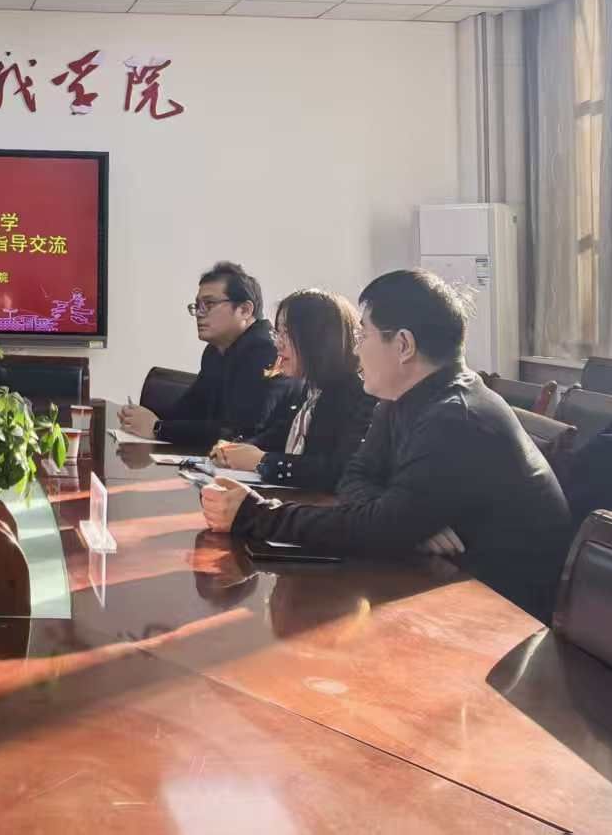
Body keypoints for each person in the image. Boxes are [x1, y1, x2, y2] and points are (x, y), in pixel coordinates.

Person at [199, 269, 572, 622]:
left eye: (363, 335)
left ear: (404, 345)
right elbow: (355, 476)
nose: (357, 350)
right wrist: (402, 521)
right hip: (441, 585)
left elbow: (376, 529)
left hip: (500, 616)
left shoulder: (456, 416)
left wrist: (256, 515)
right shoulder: (400, 399)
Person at [210, 288, 376, 492]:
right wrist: (233, 450)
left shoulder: (359, 395)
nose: (277, 344)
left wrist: (262, 460)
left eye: (286, 334)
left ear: (319, 339)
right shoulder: (310, 388)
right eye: (277, 333)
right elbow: (277, 436)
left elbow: (336, 471)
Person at [119, 261, 283, 449]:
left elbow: (237, 433)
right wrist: (141, 418)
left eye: (209, 304)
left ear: (245, 310)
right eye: (197, 305)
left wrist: (158, 428)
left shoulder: (266, 351)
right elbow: (188, 411)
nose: (199, 313)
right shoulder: (215, 350)